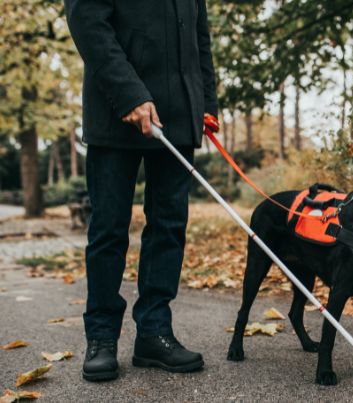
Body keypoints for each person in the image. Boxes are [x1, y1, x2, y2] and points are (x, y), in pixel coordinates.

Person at [64, 0, 218, 381]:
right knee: (109, 229)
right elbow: (87, 22)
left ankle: (153, 333)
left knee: (169, 226)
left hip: (180, 116)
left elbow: (199, 39)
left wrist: (206, 103)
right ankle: (101, 336)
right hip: (116, 111)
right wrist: (130, 94)